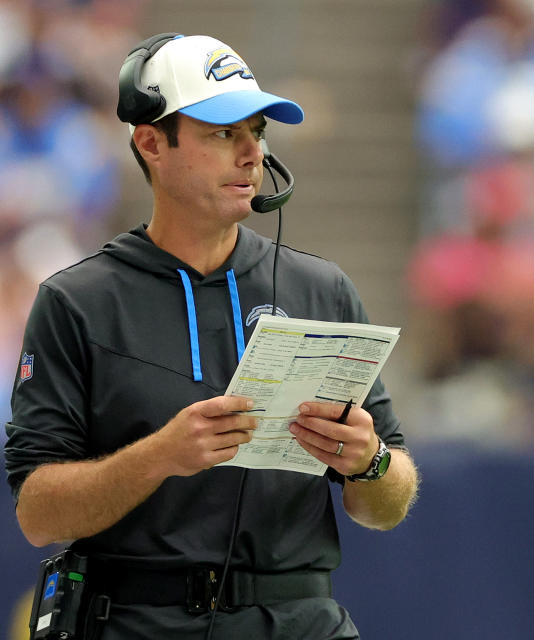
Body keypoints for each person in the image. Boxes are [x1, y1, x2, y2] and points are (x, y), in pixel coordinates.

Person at [3, 33, 418, 639]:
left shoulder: (322, 290)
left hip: (299, 621)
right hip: (136, 622)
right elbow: (38, 514)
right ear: (151, 143)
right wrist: (159, 457)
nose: (251, 153)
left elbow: (389, 503)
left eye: (257, 131)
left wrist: (371, 462)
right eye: (224, 133)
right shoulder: (77, 302)